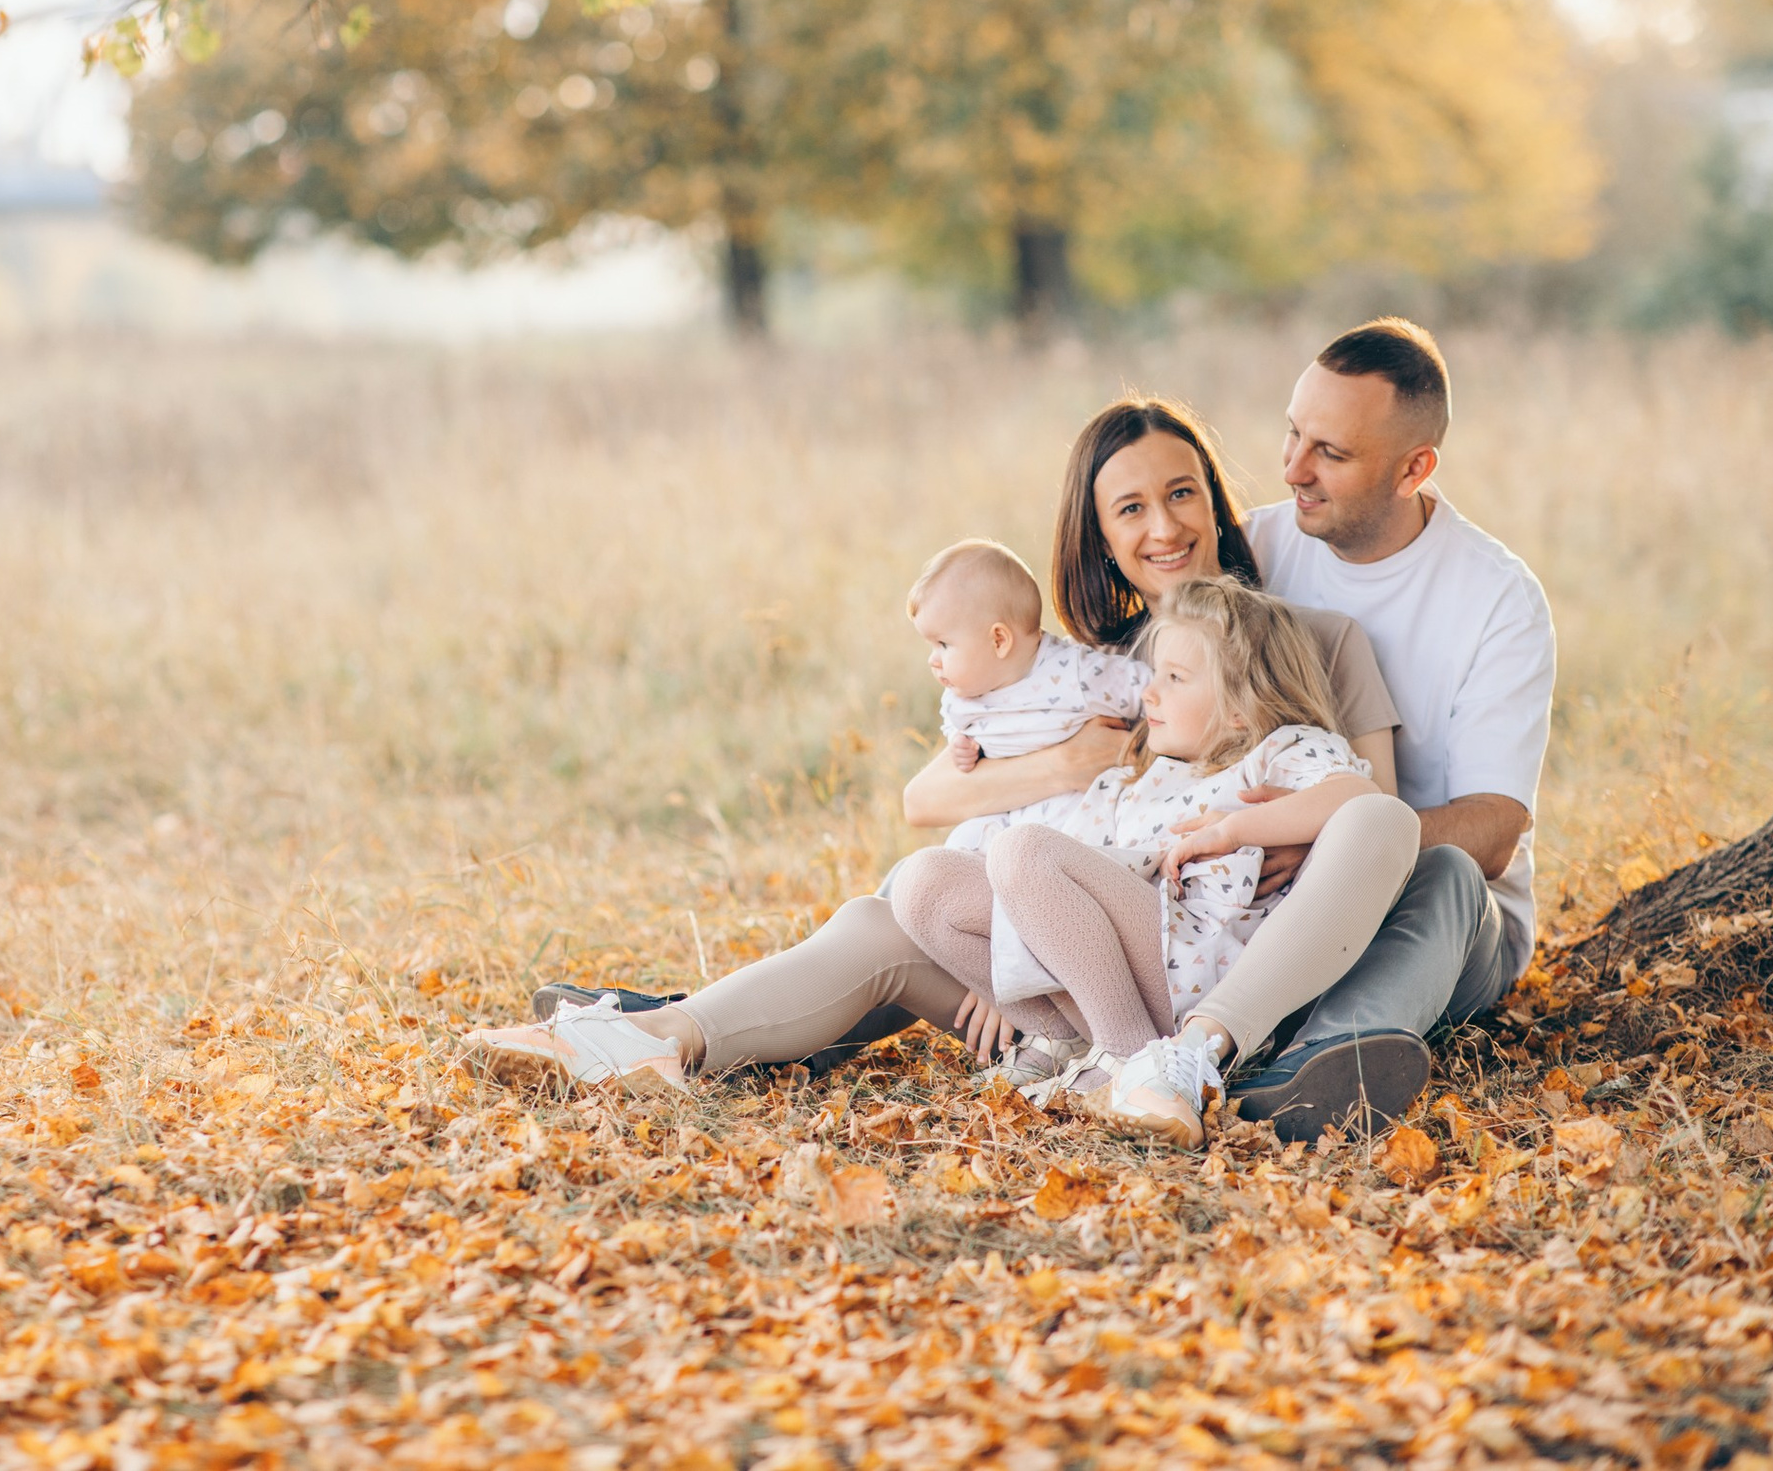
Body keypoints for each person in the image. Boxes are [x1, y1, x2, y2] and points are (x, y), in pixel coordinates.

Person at [466, 396, 1415, 1105]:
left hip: (1224, 956)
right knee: (894, 906)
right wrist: (1025, 936)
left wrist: (1268, 825)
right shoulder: (1094, 667)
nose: (1161, 526)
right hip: (1081, 942)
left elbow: (1376, 819)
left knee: (956, 890)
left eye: (1180, 494)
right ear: (1100, 535)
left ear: (1216, 496)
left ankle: (1167, 1063)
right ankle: (655, 1034)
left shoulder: (1315, 641)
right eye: (1128, 510)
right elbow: (935, 797)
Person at [1209, 317, 1556, 1139]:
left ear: (1415, 468)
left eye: (1330, 452)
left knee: (1451, 873)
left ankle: (1323, 1064)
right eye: (1294, 433)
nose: (1294, 468)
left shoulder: (1496, 600)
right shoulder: (1251, 549)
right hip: (1265, 891)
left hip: (1437, 916)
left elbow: (1495, 830)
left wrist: (1339, 855)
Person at [968, 578, 1399, 1146]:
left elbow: (1358, 799)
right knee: (929, 884)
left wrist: (1234, 829)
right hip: (1119, 972)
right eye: (1154, 675)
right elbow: (1046, 886)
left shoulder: (1276, 752)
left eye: (1174, 678)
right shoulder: (1127, 782)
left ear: (1241, 709)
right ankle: (1084, 1046)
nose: (1150, 693)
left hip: (1205, 973)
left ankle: (1126, 1064)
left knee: (1023, 849)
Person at [904, 537, 1148, 853]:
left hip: (1075, 819)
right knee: (957, 848)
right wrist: (960, 745)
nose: (933, 660)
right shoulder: (968, 693)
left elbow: (1147, 690)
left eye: (943, 645)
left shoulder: (1073, 674)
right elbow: (921, 796)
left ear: (999, 641)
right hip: (1004, 817)